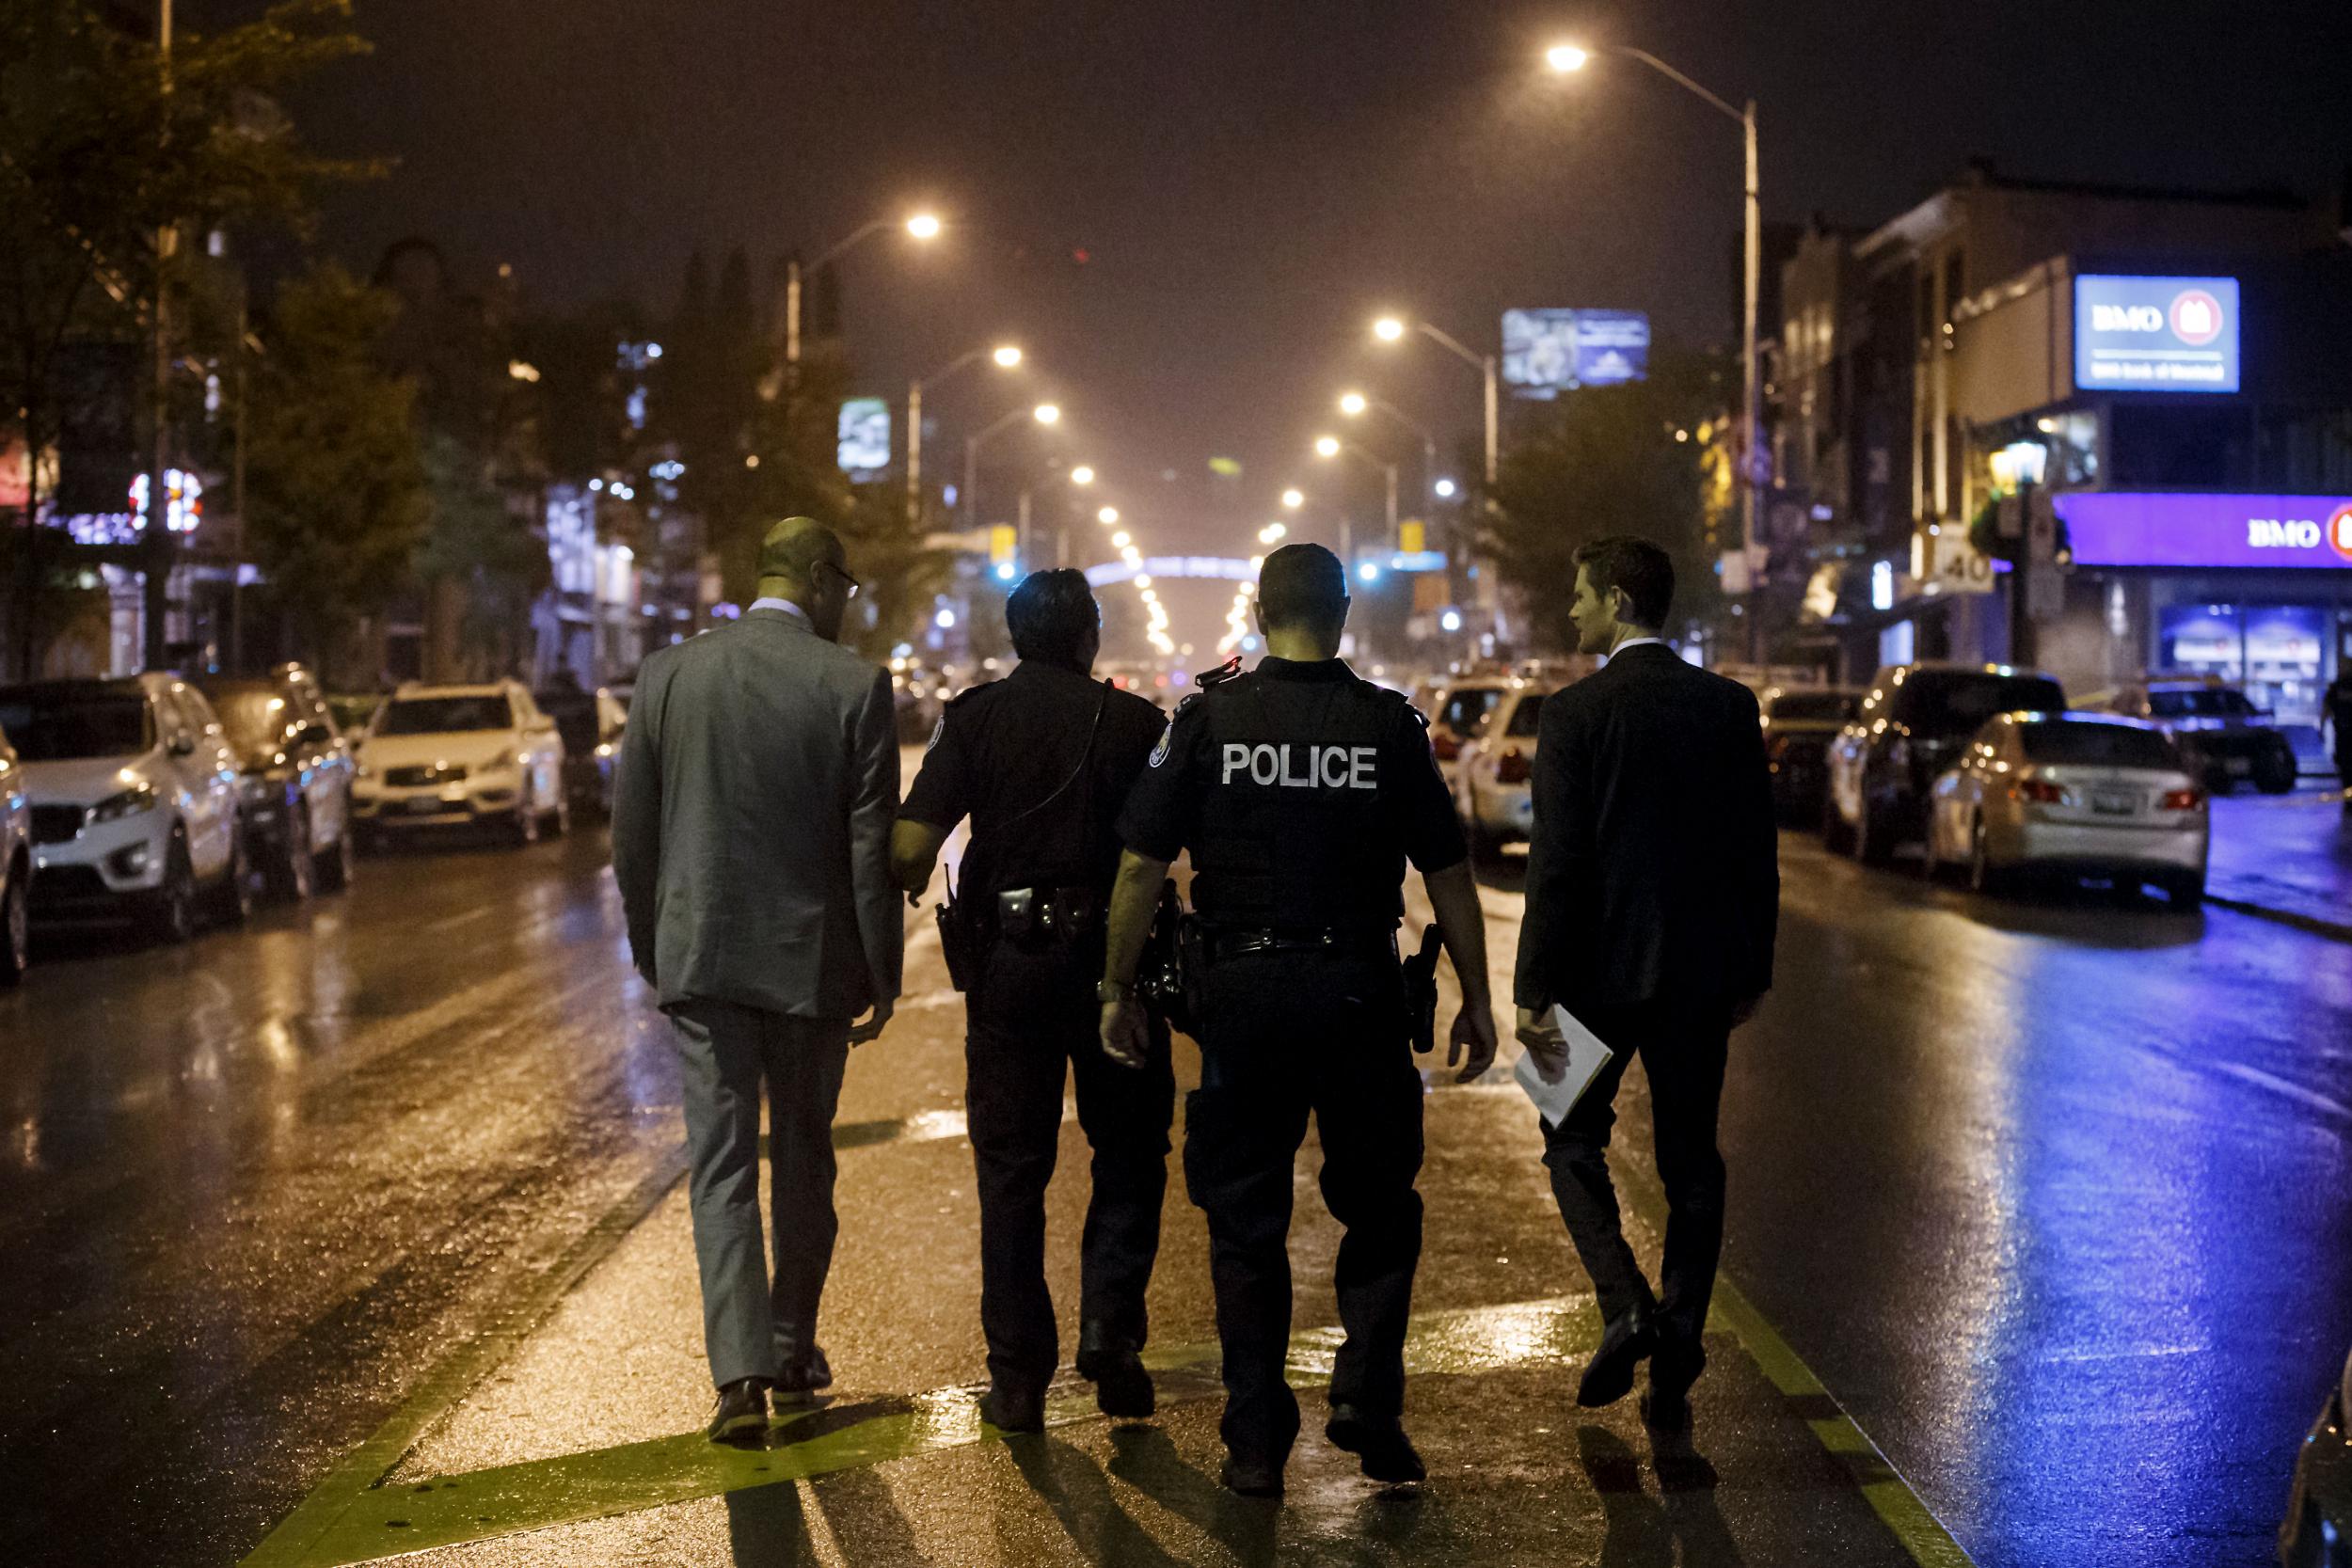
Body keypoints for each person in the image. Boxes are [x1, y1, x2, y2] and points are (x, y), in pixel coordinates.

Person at [1098, 543, 1500, 1497]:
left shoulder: (1207, 719)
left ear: (1260, 609)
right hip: (1359, 991)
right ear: (1343, 610)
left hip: (1240, 998)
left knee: (1245, 1219)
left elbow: (1139, 867)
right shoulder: (1388, 726)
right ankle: (1366, 1396)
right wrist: (1480, 997)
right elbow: (1445, 873)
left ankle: (1253, 1440)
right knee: (1380, 1204)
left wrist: (1116, 985)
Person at [611, 516, 903, 1446]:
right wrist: (882, 972)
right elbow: (868, 854)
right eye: (844, 588)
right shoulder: (854, 686)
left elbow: (633, 840)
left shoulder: (666, 675)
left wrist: (656, 946)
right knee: (804, 1155)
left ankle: (739, 1375)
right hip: (810, 964)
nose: (844, 605)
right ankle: (788, 1340)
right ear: (819, 579)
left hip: (700, 958)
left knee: (722, 1164)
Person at [891, 570, 1175, 1433]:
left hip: (1010, 966)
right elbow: (1172, 847)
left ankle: (1017, 1378)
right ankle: (1110, 1334)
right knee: (1129, 1150)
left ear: (1016, 636)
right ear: (1089, 634)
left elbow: (911, 848)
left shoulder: (975, 718)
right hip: (1112, 964)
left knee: (1012, 1169)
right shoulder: (1136, 722)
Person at [1514, 536, 1778, 1433]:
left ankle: (1624, 1300)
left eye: (1582, 597)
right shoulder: (1728, 707)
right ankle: (1680, 1341)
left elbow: (1556, 864)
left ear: (1620, 601)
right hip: (1701, 970)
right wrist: (1755, 967)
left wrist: (1529, 989)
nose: (1572, 612)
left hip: (1584, 972)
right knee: (1691, 1159)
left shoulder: (1573, 712)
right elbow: (1756, 850)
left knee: (1563, 1136)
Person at [2325, 666, 2352, 800]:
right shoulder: (2337, 687)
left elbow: (2326, 708)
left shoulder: (2337, 687)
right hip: (2342, 733)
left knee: (2345, 765)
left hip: (2343, 732)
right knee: (2344, 764)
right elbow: (2327, 707)